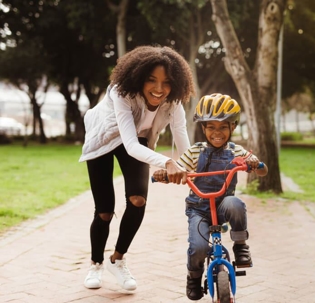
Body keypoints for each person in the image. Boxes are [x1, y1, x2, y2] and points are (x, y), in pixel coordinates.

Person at [79, 45, 196, 291]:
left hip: (137, 139)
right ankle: (96, 263)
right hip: (103, 139)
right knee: (104, 212)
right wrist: (167, 161)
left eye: (166, 83)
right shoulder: (121, 93)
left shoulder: (173, 102)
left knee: (138, 199)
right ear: (139, 78)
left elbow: (181, 136)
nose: (159, 89)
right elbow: (130, 145)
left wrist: (191, 166)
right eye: (152, 80)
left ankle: (117, 260)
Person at [152, 93, 268, 300]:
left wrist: (254, 165)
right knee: (198, 247)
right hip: (199, 209)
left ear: (232, 127)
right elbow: (179, 168)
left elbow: (262, 170)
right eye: (211, 127)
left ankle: (240, 245)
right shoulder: (196, 151)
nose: (217, 132)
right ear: (203, 128)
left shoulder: (236, 151)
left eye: (223, 127)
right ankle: (194, 277)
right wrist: (167, 173)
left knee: (236, 203)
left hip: (223, 205)